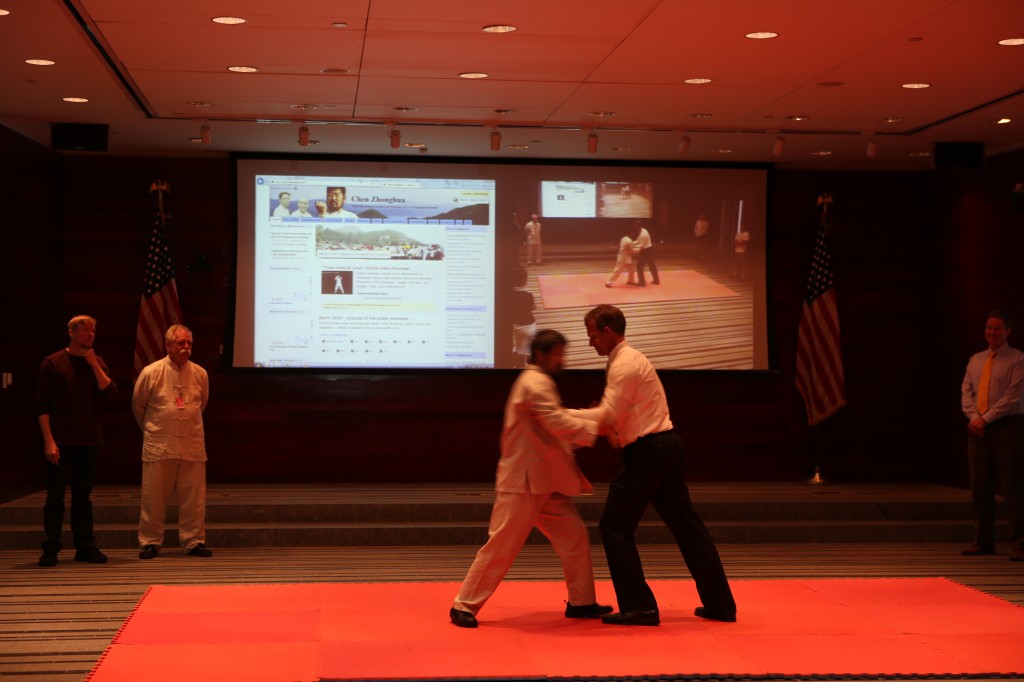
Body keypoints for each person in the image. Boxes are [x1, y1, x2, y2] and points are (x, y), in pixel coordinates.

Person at [569, 305, 736, 625]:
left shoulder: (625, 364)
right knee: (687, 527)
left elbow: (608, 414)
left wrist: (564, 418)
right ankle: (721, 605)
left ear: (607, 331)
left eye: (592, 335)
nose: (590, 342)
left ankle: (640, 607)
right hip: (662, 446)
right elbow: (615, 416)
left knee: (614, 526)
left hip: (650, 450)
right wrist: (603, 423)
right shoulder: (625, 360)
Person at [450, 330, 612, 628]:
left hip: (544, 481)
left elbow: (557, 415)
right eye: (558, 354)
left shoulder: (537, 381)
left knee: (574, 537)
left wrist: (594, 417)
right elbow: (555, 421)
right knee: (502, 544)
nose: (562, 360)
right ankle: (463, 604)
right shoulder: (534, 382)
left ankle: (582, 602)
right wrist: (595, 427)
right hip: (524, 481)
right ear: (540, 354)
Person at [35, 315, 116, 567]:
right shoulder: (53, 363)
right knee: (55, 498)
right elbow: (42, 404)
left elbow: (110, 393)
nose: (91, 335)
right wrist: (48, 440)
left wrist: (93, 364)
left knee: (83, 498)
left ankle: (85, 546)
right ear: (71, 332)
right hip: (60, 441)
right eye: (85, 330)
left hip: (89, 440)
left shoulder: (96, 362)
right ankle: (51, 548)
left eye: (93, 331)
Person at [133, 324, 213, 560]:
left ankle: (194, 541)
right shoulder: (151, 372)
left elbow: (202, 404)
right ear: (168, 345)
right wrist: (154, 429)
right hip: (160, 443)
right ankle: (150, 542)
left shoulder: (200, 373)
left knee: (194, 498)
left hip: (191, 443)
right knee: (153, 497)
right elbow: (138, 406)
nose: (186, 347)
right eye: (181, 343)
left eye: (189, 343)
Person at [960, 310, 1024, 561]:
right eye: (989, 328)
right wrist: (975, 417)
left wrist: (985, 418)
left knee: (1013, 487)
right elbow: (966, 393)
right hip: (978, 429)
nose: (992, 332)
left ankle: (1020, 543)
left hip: (1007, 427)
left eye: (997, 328)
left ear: (1008, 331)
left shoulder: (1018, 360)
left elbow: (1013, 397)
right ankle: (983, 541)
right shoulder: (976, 360)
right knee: (980, 487)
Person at [510, 266, 535, 369]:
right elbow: (533, 307)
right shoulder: (528, 295)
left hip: (515, 325)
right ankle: (529, 364)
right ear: (524, 281)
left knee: (519, 343)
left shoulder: (507, 294)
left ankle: (518, 359)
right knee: (530, 347)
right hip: (529, 326)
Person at [633, 220, 660, 286]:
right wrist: (631, 243)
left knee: (639, 266)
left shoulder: (643, 234)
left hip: (646, 251)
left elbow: (641, 246)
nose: (635, 228)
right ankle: (656, 280)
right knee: (651, 265)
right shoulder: (643, 230)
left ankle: (642, 282)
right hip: (649, 250)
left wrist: (632, 247)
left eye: (636, 226)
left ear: (639, 226)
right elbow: (637, 240)